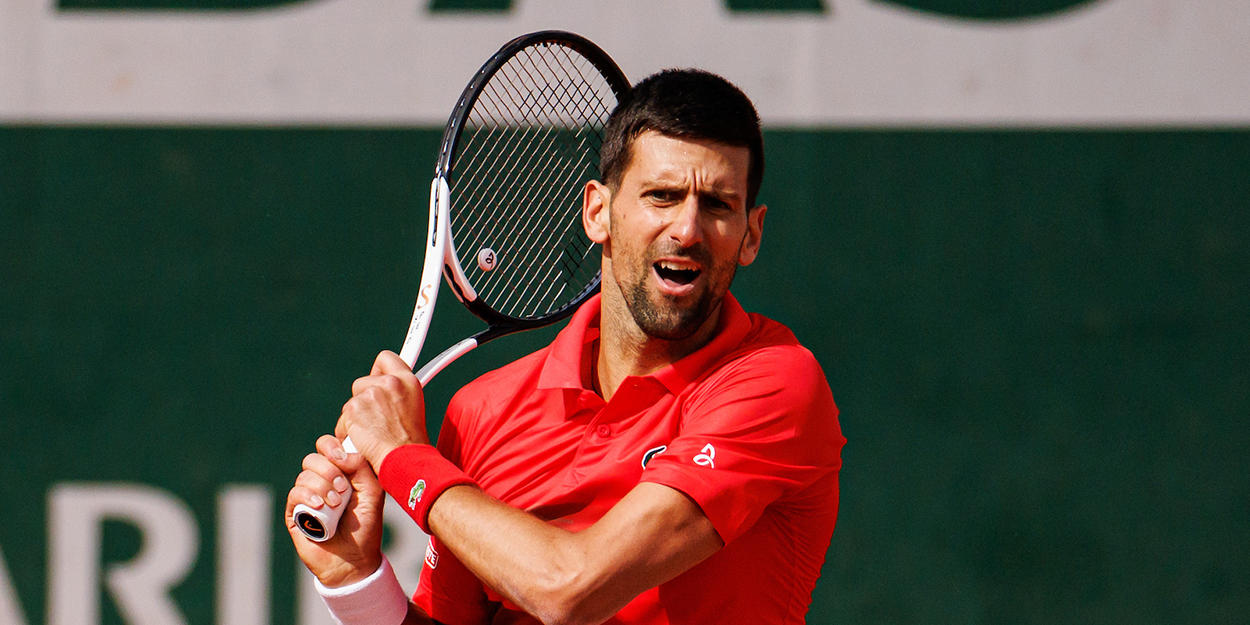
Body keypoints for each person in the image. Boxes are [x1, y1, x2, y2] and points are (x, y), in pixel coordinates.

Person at [286, 68, 845, 625]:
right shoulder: (483, 412)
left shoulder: (775, 385)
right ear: (598, 212)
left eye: (719, 205)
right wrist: (355, 580)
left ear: (752, 234)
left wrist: (402, 458)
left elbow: (570, 591)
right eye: (662, 196)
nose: (688, 229)